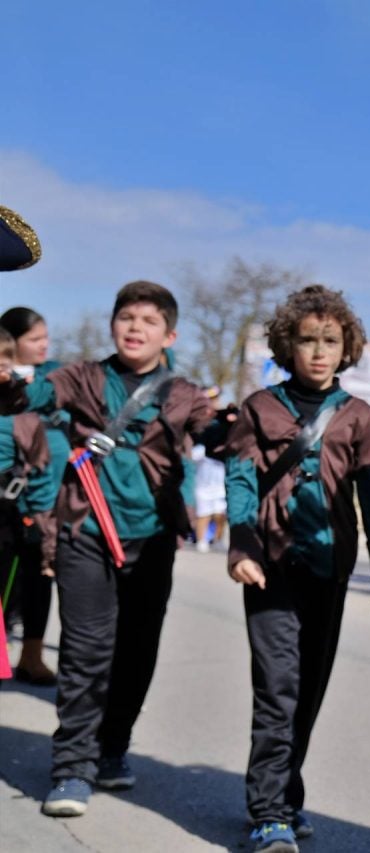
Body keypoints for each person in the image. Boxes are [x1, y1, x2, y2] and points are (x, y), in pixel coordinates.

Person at [26, 281, 222, 818]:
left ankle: (112, 748)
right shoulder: (81, 377)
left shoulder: (183, 393)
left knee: (137, 651)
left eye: (149, 320)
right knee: (85, 651)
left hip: (152, 536)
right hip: (85, 529)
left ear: (169, 335)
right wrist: (13, 384)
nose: (136, 328)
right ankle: (72, 767)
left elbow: (216, 435)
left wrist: (233, 428)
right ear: (112, 325)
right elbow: (34, 396)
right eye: (127, 317)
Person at [224, 284, 370, 852]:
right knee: (276, 687)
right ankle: (269, 810)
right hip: (269, 567)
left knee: (309, 689)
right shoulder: (259, 408)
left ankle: (286, 791)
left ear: (347, 348)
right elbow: (240, 481)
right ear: (288, 345)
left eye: (330, 340)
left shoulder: (359, 416)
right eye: (307, 340)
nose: (319, 351)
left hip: (329, 568)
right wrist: (242, 548)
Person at [0, 306, 68, 684]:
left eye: (46, 337)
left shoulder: (56, 377)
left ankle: (31, 655)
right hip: (8, 500)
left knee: (40, 577)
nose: (44, 344)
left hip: (46, 500)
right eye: (35, 338)